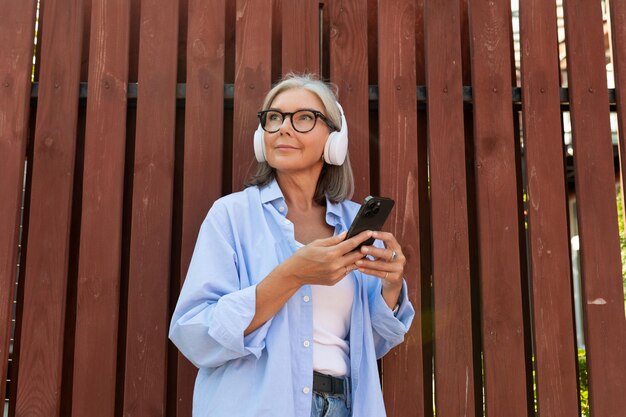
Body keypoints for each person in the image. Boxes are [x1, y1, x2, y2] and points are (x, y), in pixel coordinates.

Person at [169, 73, 414, 417]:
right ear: (261, 136)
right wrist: (292, 275)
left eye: (303, 118)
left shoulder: (352, 221)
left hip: (344, 407)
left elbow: (368, 346)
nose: (284, 128)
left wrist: (389, 287)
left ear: (335, 140)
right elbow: (195, 334)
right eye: (274, 118)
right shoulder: (231, 216)